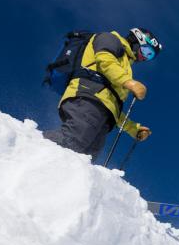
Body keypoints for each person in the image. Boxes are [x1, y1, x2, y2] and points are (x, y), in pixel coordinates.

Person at [43, 28, 161, 157]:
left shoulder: (124, 65)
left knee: (85, 158)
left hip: (102, 114)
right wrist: (128, 82)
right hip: (88, 97)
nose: (143, 58)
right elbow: (105, 61)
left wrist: (133, 129)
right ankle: (30, 150)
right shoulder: (110, 39)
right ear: (137, 39)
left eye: (149, 57)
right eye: (146, 51)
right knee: (72, 140)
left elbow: (112, 105)